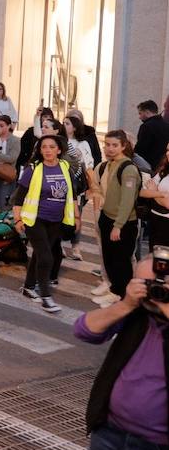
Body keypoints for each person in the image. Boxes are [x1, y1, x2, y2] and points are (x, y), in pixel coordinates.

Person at [74, 257, 169, 450]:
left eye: (159, 284)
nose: (153, 290)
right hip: (111, 434)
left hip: (162, 449)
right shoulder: (136, 312)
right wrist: (127, 304)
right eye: (145, 283)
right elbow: (84, 329)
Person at [14, 134, 77, 313]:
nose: (47, 150)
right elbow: (18, 198)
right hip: (35, 219)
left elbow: (71, 195)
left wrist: (76, 218)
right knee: (47, 257)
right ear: (39, 150)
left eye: (51, 147)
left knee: (39, 255)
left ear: (59, 149)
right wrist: (18, 219)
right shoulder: (33, 169)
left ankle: (28, 286)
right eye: (44, 147)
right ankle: (46, 297)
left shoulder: (65, 167)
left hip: (56, 220)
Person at [87, 131, 142, 302]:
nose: (109, 149)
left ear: (124, 146)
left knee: (121, 262)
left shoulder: (128, 169)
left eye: (114, 145)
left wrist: (118, 226)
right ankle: (114, 290)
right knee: (109, 259)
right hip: (107, 217)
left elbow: (127, 201)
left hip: (123, 223)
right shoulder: (110, 164)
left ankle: (122, 296)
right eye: (107, 144)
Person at [134, 100, 169, 169]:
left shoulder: (146, 126)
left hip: (148, 164)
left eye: (140, 113)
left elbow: (140, 149)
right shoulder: (167, 125)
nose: (139, 117)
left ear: (147, 112)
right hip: (163, 165)